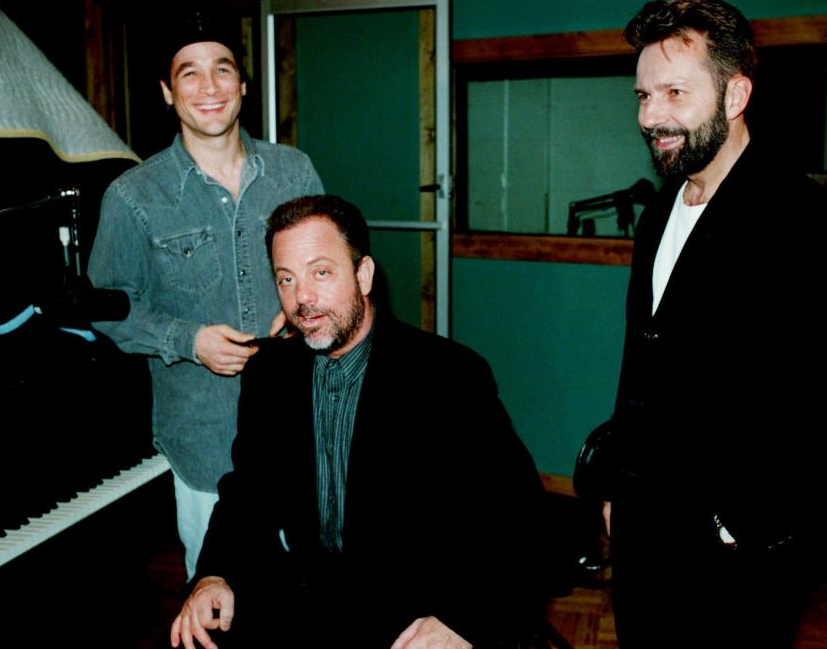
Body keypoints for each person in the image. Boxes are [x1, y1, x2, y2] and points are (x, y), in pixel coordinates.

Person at [600, 0, 827, 647]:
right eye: (641, 95)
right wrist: (618, 489)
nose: (650, 116)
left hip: (735, 555)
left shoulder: (801, 222)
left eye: (672, 92)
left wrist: (749, 527)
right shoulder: (660, 213)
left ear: (734, 93)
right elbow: (644, 369)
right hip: (645, 533)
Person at [170, 195, 546, 649]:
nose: (301, 297)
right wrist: (215, 573)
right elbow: (247, 494)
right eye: (286, 279)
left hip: (417, 606)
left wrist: (460, 618)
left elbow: (519, 517)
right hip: (309, 596)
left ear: (363, 275)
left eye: (321, 272)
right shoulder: (271, 373)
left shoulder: (447, 375)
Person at [88, 8, 323, 579]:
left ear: (243, 84)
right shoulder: (131, 195)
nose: (210, 87)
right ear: (167, 92)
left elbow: (326, 269)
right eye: (189, 73)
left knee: (317, 588)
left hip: (304, 425)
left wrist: (301, 315)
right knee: (222, 596)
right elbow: (107, 307)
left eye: (222, 69)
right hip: (203, 440)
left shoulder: (295, 172)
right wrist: (189, 340)